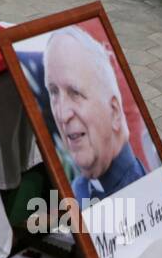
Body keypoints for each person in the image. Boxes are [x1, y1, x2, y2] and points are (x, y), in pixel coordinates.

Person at [42, 25, 146, 207]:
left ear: (114, 112)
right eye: (53, 92)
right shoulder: (78, 189)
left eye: (75, 92)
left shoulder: (139, 197)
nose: (62, 114)